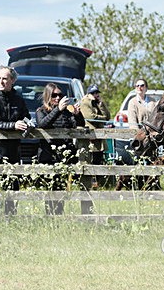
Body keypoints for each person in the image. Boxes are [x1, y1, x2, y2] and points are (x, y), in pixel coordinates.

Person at [0, 66, 31, 215]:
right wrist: (13, 125)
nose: (1, 82)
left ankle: (11, 215)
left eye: (4, 78)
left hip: (14, 149)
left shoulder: (19, 99)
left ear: (12, 81)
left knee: (13, 183)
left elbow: (26, 116)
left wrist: (27, 124)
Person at [35, 83, 85, 215]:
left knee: (61, 189)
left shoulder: (66, 112)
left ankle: (58, 216)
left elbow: (79, 124)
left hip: (64, 156)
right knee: (50, 191)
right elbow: (43, 124)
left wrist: (77, 114)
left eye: (60, 95)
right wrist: (58, 109)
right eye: (54, 95)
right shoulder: (41, 111)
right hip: (48, 156)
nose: (58, 98)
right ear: (48, 96)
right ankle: (50, 217)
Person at [79, 84, 110, 214]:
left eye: (97, 92)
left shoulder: (97, 102)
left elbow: (107, 116)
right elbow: (89, 117)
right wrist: (102, 119)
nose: (96, 94)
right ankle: (89, 192)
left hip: (99, 141)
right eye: (94, 92)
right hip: (90, 141)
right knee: (88, 169)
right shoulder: (85, 102)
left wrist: (101, 104)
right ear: (89, 93)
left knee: (98, 165)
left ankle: (97, 186)